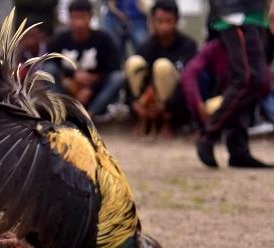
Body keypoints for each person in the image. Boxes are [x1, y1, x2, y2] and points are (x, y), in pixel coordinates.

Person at [194, 0, 273, 168]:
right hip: (235, 13)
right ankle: (208, 134)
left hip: (254, 13)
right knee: (249, 78)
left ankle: (238, 150)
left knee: (250, 80)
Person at [125, 0, 197, 136]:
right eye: (160, 21)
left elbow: (189, 82)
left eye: (168, 21)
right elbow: (130, 78)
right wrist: (135, 103)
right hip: (150, 101)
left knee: (162, 66)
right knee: (133, 62)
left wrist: (167, 107)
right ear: (152, 22)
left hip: (175, 106)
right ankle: (142, 119)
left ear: (176, 21)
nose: (164, 26)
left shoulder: (188, 46)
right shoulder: (147, 46)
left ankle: (168, 122)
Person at [46, 0, 124, 118]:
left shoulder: (104, 39)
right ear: (69, 18)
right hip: (68, 90)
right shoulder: (60, 39)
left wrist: (91, 89)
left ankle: (90, 115)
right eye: (74, 18)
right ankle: (64, 112)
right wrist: (72, 76)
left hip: (95, 93)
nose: (79, 23)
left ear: (91, 17)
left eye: (82, 17)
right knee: (48, 70)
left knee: (117, 78)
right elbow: (49, 63)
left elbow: (113, 68)